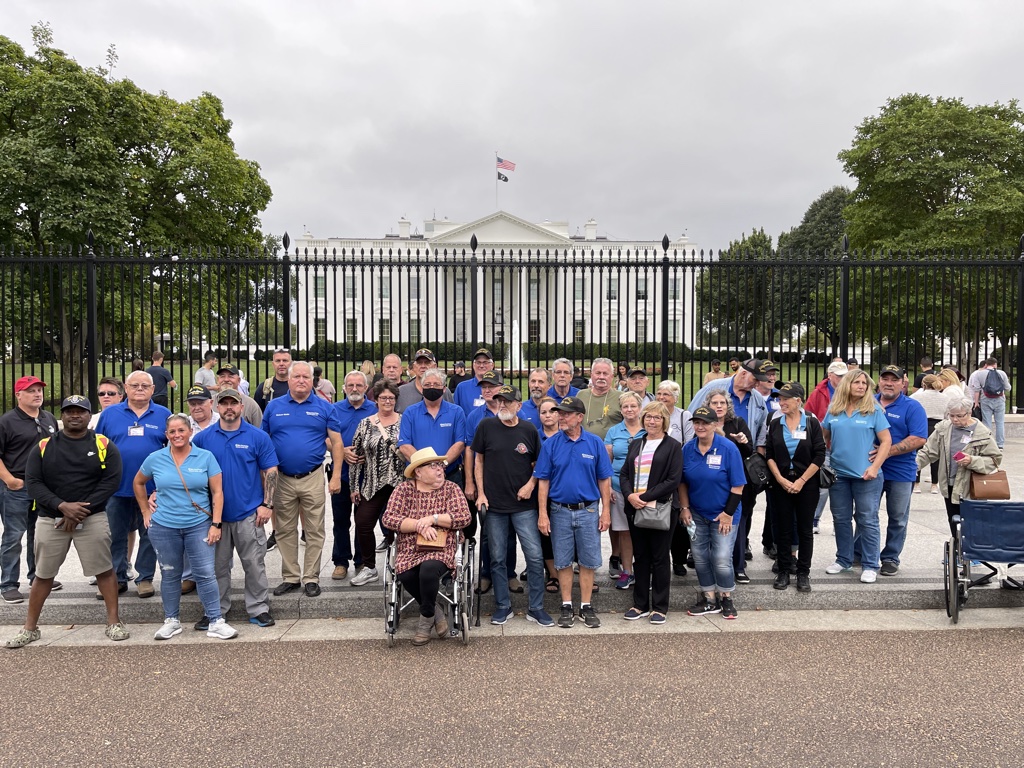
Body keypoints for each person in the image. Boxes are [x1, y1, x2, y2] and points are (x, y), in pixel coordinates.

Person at [6, 395, 127, 647]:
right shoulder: (43, 446)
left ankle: (114, 622)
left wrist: (80, 510)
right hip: (51, 519)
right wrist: (62, 506)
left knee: (104, 570)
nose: (74, 415)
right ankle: (30, 628)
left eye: (80, 411)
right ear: (61, 415)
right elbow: (34, 483)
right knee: (43, 575)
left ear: (88, 415)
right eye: (69, 411)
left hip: (91, 518)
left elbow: (111, 481)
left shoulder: (104, 444)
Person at [133, 413, 236, 640]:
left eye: (181, 430)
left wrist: (216, 524)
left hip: (198, 524)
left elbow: (218, 492)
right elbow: (138, 482)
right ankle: (171, 620)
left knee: (206, 574)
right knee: (170, 574)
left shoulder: (205, 457)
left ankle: (216, 620)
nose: (177, 435)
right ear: (166, 435)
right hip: (164, 526)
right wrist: (145, 511)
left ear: (190, 432)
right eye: (172, 432)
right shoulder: (155, 458)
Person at [192, 389, 278, 630]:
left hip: (249, 513)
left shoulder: (257, 436)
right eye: (224, 403)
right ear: (216, 407)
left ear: (242, 406)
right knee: (217, 567)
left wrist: (267, 504)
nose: (229, 407)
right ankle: (215, 611)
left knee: (254, 564)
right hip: (215, 517)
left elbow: (270, 471)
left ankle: (259, 608)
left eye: (233, 403)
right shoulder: (203, 439)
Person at [261, 361, 344, 598]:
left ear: (312, 380)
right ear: (288, 379)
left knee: (315, 529)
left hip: (313, 476)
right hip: (282, 478)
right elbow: (263, 442)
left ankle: (311, 577)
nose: (300, 380)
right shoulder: (274, 407)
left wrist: (336, 475)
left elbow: (337, 443)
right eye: (296, 376)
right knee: (285, 529)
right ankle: (290, 577)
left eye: (305, 377)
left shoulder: (324, 406)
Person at [472, 384, 552, 627]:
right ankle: (502, 606)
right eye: (499, 401)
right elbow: (479, 461)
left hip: (524, 506)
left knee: (535, 557)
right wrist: (481, 494)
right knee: (497, 559)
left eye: (507, 401)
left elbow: (540, 465)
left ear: (519, 405)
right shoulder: (486, 426)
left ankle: (536, 607)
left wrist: (530, 485)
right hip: (494, 505)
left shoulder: (529, 430)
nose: (502, 405)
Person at [534, 396, 613, 629]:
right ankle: (567, 605)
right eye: (560, 413)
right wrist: (542, 513)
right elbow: (543, 482)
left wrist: (605, 511)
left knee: (588, 561)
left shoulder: (595, 443)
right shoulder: (550, 444)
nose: (561, 417)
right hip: (559, 511)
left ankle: (586, 606)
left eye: (566, 414)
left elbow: (604, 479)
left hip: (588, 510)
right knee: (563, 561)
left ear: (579, 417)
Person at [381, 447, 471, 646]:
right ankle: (437, 612)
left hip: (442, 546)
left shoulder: (451, 489)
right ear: (418, 472)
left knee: (429, 570)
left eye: (440, 465)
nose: (439, 469)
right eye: (433, 466)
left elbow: (464, 517)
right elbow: (389, 518)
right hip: (409, 547)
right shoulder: (404, 490)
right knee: (405, 574)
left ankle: (425, 619)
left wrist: (433, 519)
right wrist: (418, 525)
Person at [94, 370, 171, 599]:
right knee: (115, 535)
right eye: (134, 385)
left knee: (150, 534)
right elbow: (99, 448)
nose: (140, 389)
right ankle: (117, 578)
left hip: (152, 490)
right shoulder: (110, 415)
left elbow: (173, 449)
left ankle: (145, 578)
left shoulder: (164, 415)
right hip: (116, 488)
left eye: (145, 385)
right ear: (125, 389)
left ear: (152, 389)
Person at [822, 369, 892, 584]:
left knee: (867, 520)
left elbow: (886, 442)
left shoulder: (873, 411)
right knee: (840, 519)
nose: (861, 386)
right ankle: (844, 560)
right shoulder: (834, 410)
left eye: (864, 383)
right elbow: (826, 437)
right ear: (847, 385)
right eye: (857, 382)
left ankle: (871, 564)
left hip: (867, 476)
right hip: (839, 476)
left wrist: (874, 467)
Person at [679, 406, 745, 620]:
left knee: (722, 557)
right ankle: (709, 599)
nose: (700, 426)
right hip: (697, 513)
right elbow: (682, 483)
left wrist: (727, 514)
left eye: (705, 422)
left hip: (724, 513)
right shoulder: (687, 449)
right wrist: (685, 507)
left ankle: (726, 597)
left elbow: (738, 486)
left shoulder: (728, 448)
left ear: (715, 424)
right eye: (696, 422)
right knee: (699, 557)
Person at [620, 402, 682, 624]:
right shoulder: (636, 443)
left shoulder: (673, 446)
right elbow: (625, 473)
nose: (652, 421)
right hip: (635, 508)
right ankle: (640, 605)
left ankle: (659, 607)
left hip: (660, 509)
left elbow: (673, 480)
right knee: (641, 557)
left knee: (660, 558)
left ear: (664, 420)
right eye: (648, 417)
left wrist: (643, 498)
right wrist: (630, 496)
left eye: (657, 418)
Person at [0, 376, 60, 604]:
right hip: (16, 488)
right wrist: (10, 480)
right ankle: (8, 583)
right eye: (30, 391)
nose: (37, 394)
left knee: (41, 535)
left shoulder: (48, 418)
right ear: (18, 395)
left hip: (42, 488)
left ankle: (38, 577)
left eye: (39, 390)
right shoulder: (7, 422)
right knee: (14, 536)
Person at [765, 382, 825, 593]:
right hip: (781, 483)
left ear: (798, 400)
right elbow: (769, 454)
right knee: (782, 528)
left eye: (786, 399)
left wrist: (801, 481)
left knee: (804, 529)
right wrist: (780, 479)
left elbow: (819, 455)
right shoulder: (775, 423)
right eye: (779, 399)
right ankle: (783, 570)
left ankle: (803, 573)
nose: (781, 403)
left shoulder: (811, 423)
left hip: (806, 484)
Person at [915, 397, 1002, 538]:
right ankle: (957, 552)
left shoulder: (983, 433)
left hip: (972, 486)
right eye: (952, 415)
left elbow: (994, 459)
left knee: (973, 521)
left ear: (969, 413)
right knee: (954, 520)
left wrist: (972, 460)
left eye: (959, 416)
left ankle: (972, 553)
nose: (955, 420)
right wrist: (912, 467)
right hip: (950, 484)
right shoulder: (944, 428)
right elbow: (928, 452)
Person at [872, 365, 927, 576]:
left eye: (894, 379)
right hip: (870, 469)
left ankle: (890, 557)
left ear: (903, 382)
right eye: (885, 378)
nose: (889, 383)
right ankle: (862, 552)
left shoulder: (913, 407)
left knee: (898, 517)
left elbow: (919, 437)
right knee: (866, 515)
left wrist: (887, 451)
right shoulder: (868, 403)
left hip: (901, 472)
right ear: (879, 380)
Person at [349, 379, 404, 587]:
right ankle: (369, 567)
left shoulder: (405, 421)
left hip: (400, 484)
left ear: (396, 400)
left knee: (397, 528)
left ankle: (398, 564)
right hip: (372, 484)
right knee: (363, 523)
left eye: (391, 398)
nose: (387, 401)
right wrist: (354, 487)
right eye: (383, 398)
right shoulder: (366, 423)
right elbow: (356, 457)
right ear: (376, 400)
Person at [703, 389, 754, 583]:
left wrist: (742, 441)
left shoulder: (738, 422)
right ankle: (714, 567)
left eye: (722, 403)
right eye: (715, 403)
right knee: (710, 525)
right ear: (708, 405)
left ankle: (738, 567)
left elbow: (748, 450)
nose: (719, 406)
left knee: (736, 524)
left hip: (735, 480)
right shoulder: (703, 422)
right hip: (711, 481)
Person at [330, 371, 377, 581]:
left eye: (359, 385)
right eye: (350, 385)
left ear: (366, 388)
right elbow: (325, 438)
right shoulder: (334, 410)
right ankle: (340, 562)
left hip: (367, 475)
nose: (355, 389)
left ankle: (362, 561)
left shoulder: (375, 410)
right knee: (340, 520)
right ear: (344, 387)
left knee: (363, 520)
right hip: (341, 473)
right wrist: (341, 451)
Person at [604, 392, 645, 587]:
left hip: (644, 490)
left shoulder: (648, 430)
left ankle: (644, 569)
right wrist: (609, 488)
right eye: (625, 407)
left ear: (640, 408)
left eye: (633, 406)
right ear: (621, 410)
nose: (629, 410)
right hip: (619, 488)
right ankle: (627, 571)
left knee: (645, 531)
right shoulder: (613, 432)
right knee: (625, 532)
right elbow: (606, 463)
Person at [805, 360, 848, 534]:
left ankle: (841, 521)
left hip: (845, 446)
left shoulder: (851, 391)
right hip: (824, 445)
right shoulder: (818, 393)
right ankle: (815, 519)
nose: (842, 379)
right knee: (823, 485)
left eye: (844, 375)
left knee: (843, 486)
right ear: (830, 376)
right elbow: (808, 414)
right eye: (839, 376)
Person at [910, 374, 947, 493]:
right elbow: (947, 414)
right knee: (935, 455)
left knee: (918, 453)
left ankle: (916, 483)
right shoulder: (944, 397)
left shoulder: (916, 396)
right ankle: (934, 484)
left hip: (921, 425)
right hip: (938, 426)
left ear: (923, 384)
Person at [967, 356, 1011, 449]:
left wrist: (976, 402)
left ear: (986, 365)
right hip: (1000, 400)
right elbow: (1008, 388)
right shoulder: (1001, 373)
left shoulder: (979, 374)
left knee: (987, 422)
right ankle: (1000, 445)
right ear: (996, 364)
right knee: (1000, 422)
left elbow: (976, 390)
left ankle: (988, 442)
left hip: (985, 399)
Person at [576, 358, 623, 440]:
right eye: (598, 373)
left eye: (605, 374)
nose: (601, 377)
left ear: (612, 376)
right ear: (591, 375)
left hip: (610, 447)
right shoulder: (581, 395)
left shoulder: (621, 397)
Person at [396, 348, 453, 413]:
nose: (423, 366)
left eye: (427, 363)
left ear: (435, 366)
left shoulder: (444, 391)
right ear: (414, 367)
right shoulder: (401, 392)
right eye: (419, 363)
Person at [452, 348, 496, 413]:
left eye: (485, 362)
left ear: (492, 365)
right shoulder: (462, 388)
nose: (481, 366)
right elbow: (455, 414)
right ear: (473, 365)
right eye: (478, 362)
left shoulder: (500, 388)